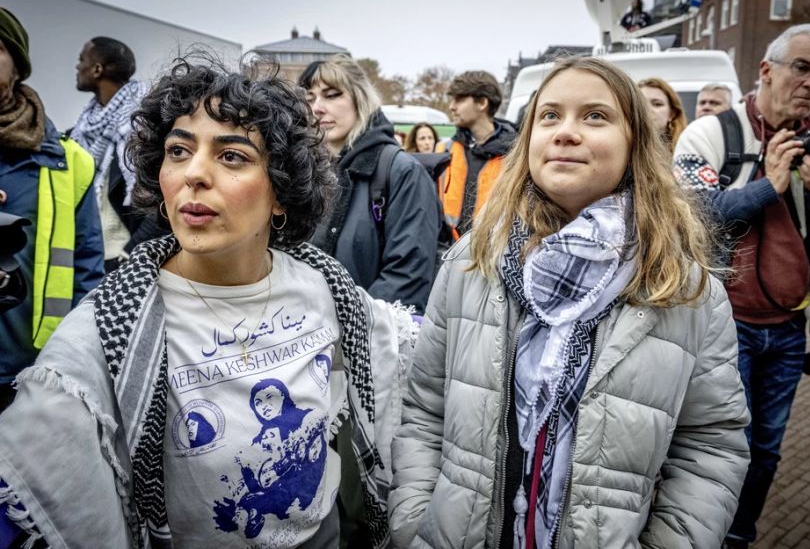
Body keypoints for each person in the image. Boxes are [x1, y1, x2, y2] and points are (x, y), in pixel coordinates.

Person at [0, 56, 417, 548]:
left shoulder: (325, 288)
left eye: (232, 156)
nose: (194, 173)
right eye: (178, 151)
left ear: (281, 191)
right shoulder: (99, 339)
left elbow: (421, 369)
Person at [389, 56, 750, 548]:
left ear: (635, 144)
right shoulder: (471, 263)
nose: (566, 132)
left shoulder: (684, 290)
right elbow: (425, 410)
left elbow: (710, 446)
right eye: (550, 116)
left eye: (596, 116)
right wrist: (415, 523)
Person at [672, 24, 810, 548]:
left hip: (786, 330)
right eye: (802, 67)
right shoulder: (711, 135)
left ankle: (738, 535)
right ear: (767, 69)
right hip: (719, 325)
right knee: (712, 445)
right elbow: (690, 219)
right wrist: (769, 186)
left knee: (765, 449)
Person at [0, 8, 104, 413]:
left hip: (31, 379)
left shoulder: (68, 162)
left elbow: (87, 273)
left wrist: (68, 367)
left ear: (18, 65)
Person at [299, 55, 438, 313]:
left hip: (370, 343)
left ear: (360, 99)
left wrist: (350, 333)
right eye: (310, 98)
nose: (317, 107)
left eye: (331, 95)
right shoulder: (306, 171)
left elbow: (406, 279)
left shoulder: (402, 172)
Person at [70, 36, 163, 271]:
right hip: (88, 254)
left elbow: (160, 201)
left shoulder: (142, 126)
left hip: (122, 257)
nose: (77, 66)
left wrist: (128, 254)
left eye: (81, 59)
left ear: (97, 69)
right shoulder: (83, 128)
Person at [439, 70, 517, 241]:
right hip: (447, 253)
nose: (452, 106)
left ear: (482, 102)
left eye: (459, 99)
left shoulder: (516, 154)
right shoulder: (444, 150)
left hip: (495, 255)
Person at [638, 77, 687, 154]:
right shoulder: (623, 150)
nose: (647, 109)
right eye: (641, 104)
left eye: (657, 104)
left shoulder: (684, 151)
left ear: (672, 113)